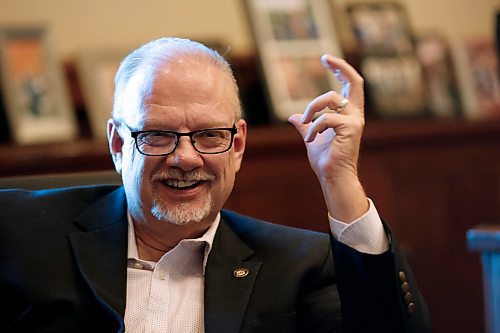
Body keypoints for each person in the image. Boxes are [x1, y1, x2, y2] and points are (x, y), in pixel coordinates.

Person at [0, 37, 430, 332]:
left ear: (238, 145)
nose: (185, 157)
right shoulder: (21, 230)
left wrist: (341, 181)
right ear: (117, 143)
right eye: (158, 135)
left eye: (209, 135)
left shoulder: (299, 267)